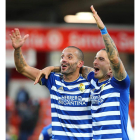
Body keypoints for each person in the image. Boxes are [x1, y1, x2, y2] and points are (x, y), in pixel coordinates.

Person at [35, 5, 131, 140]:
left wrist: (103, 30)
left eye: (101, 59)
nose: (95, 62)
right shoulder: (92, 80)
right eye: (95, 58)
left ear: (111, 69)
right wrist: (52, 68)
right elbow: (74, 67)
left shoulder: (119, 84)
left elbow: (114, 58)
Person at [9, 29, 93, 139]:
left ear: (80, 63)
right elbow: (23, 68)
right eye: (62, 56)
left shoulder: (90, 83)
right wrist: (17, 49)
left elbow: (100, 73)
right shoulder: (53, 80)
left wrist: (53, 68)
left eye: (69, 57)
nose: (63, 59)